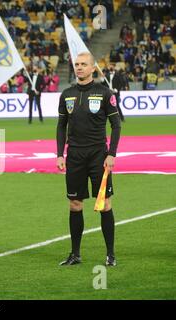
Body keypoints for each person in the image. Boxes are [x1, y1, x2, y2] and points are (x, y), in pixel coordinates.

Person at [56, 52, 121, 267]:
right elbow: (61, 126)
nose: (79, 67)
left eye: (84, 64)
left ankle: (110, 254)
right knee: (75, 204)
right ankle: (75, 254)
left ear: (93, 68)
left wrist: (111, 154)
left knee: (103, 204)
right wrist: (59, 154)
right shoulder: (66, 94)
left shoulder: (105, 93)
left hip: (98, 156)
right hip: (74, 155)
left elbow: (116, 125)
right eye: (77, 64)